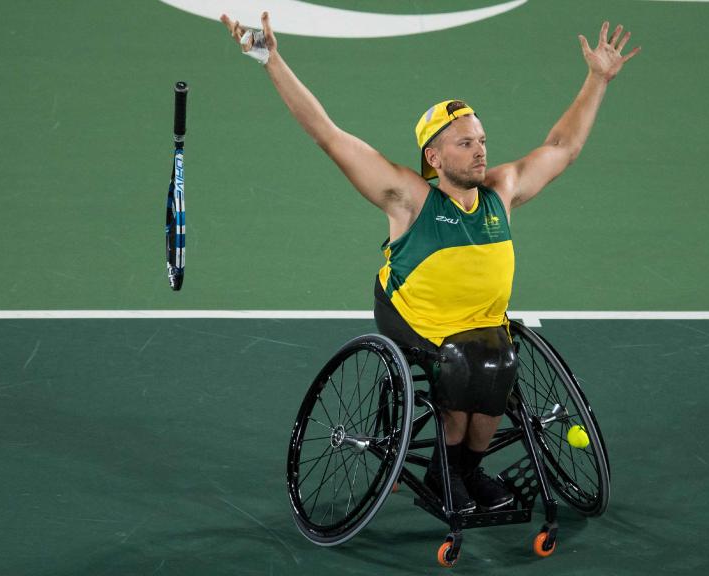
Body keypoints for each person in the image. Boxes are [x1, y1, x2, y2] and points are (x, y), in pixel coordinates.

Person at [221, 11, 639, 513]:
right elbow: (328, 135)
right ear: (435, 158)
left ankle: (462, 471)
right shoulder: (408, 198)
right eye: (466, 144)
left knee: (498, 360)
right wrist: (271, 61)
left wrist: (597, 80)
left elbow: (561, 147)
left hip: (483, 326)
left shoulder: (501, 192)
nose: (480, 151)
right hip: (415, 320)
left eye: (481, 140)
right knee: (466, 364)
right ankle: (447, 472)